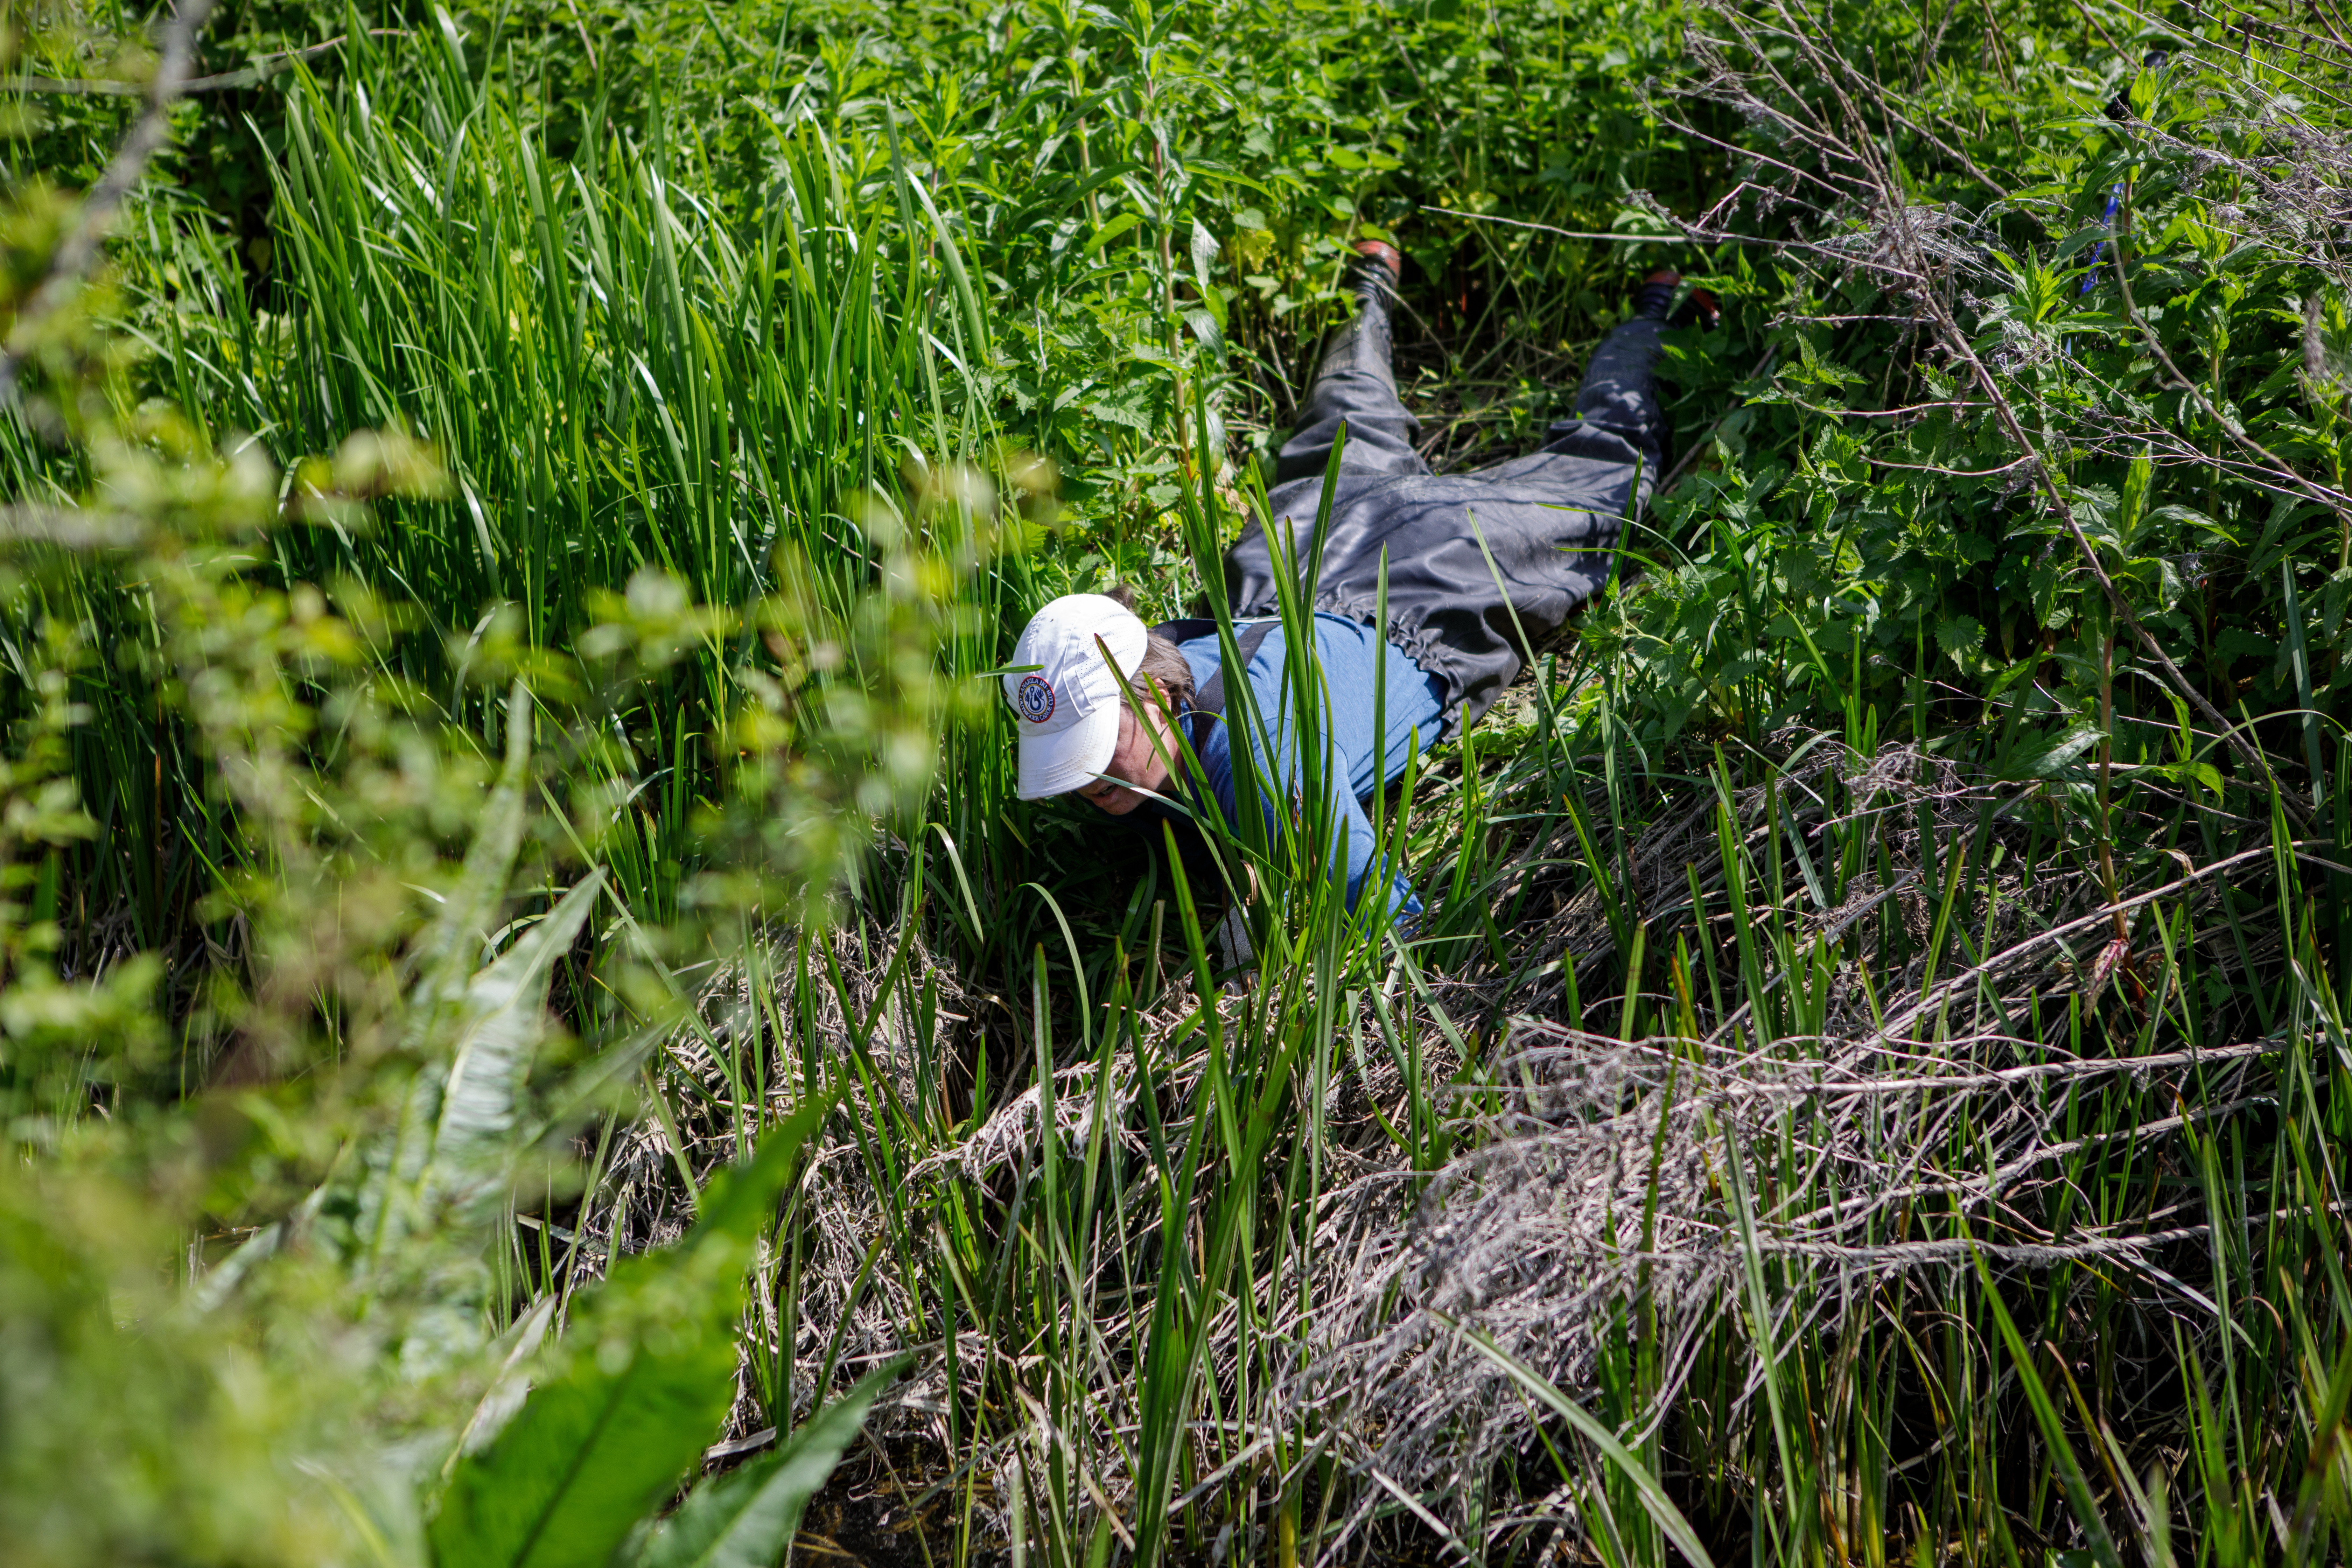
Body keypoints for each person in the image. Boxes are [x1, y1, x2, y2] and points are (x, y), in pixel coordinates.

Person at [1002, 242, 1711, 922]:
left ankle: (1660, 311)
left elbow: (1385, 920)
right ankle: (1367, 280)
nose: (1086, 781)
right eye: (1066, 756)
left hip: (1434, 575)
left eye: (1095, 743)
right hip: (1294, 561)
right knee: (1344, 408)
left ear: (1154, 688)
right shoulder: (1146, 677)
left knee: (1604, 476)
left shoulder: (1267, 767)